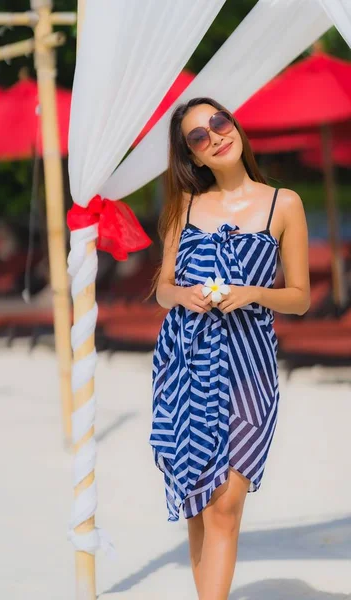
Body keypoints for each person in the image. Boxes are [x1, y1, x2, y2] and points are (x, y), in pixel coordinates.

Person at [149, 97, 310, 600]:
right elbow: (162, 288)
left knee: (226, 503)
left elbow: (301, 298)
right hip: (185, 362)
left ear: (235, 126)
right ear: (194, 157)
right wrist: (185, 296)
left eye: (220, 122)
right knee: (200, 502)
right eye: (200, 136)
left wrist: (254, 293)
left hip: (248, 363)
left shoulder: (284, 204)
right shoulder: (185, 205)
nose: (216, 135)